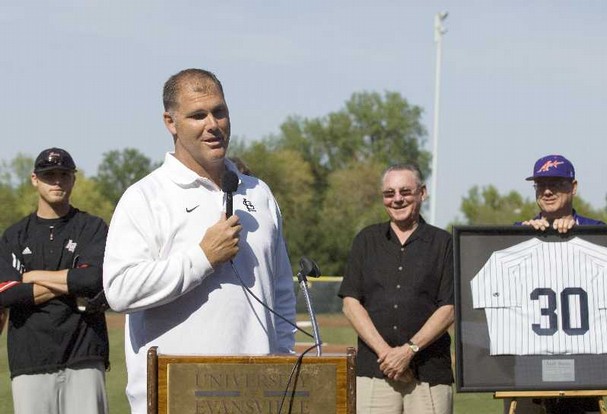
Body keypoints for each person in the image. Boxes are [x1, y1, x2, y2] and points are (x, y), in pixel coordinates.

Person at [102, 68, 296, 414]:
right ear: (170, 122)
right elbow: (119, 290)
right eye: (198, 115)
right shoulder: (145, 197)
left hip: (260, 397)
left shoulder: (259, 192)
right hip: (175, 399)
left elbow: (280, 290)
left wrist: (281, 363)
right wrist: (202, 259)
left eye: (219, 111)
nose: (213, 124)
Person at [0, 148, 110, 414]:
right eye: (49, 175)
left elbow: (94, 279)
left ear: (74, 179)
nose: (57, 181)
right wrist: (70, 282)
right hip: (30, 360)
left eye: (64, 174)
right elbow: (6, 293)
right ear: (35, 179)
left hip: (84, 354)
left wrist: (32, 277)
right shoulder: (14, 235)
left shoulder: (92, 227)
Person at [339, 164, 454, 414]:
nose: (397, 199)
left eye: (405, 191)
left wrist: (409, 351)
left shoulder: (444, 243)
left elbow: (449, 307)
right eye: (389, 193)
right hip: (375, 371)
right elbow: (350, 303)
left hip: (429, 373)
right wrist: (388, 355)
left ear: (422, 193)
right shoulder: (366, 241)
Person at [508, 154, 605, 414]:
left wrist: (576, 237)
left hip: (586, 371)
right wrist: (527, 241)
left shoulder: (597, 232)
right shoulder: (518, 232)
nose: (548, 191)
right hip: (528, 369)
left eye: (556, 183)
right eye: (541, 185)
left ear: (573, 187)